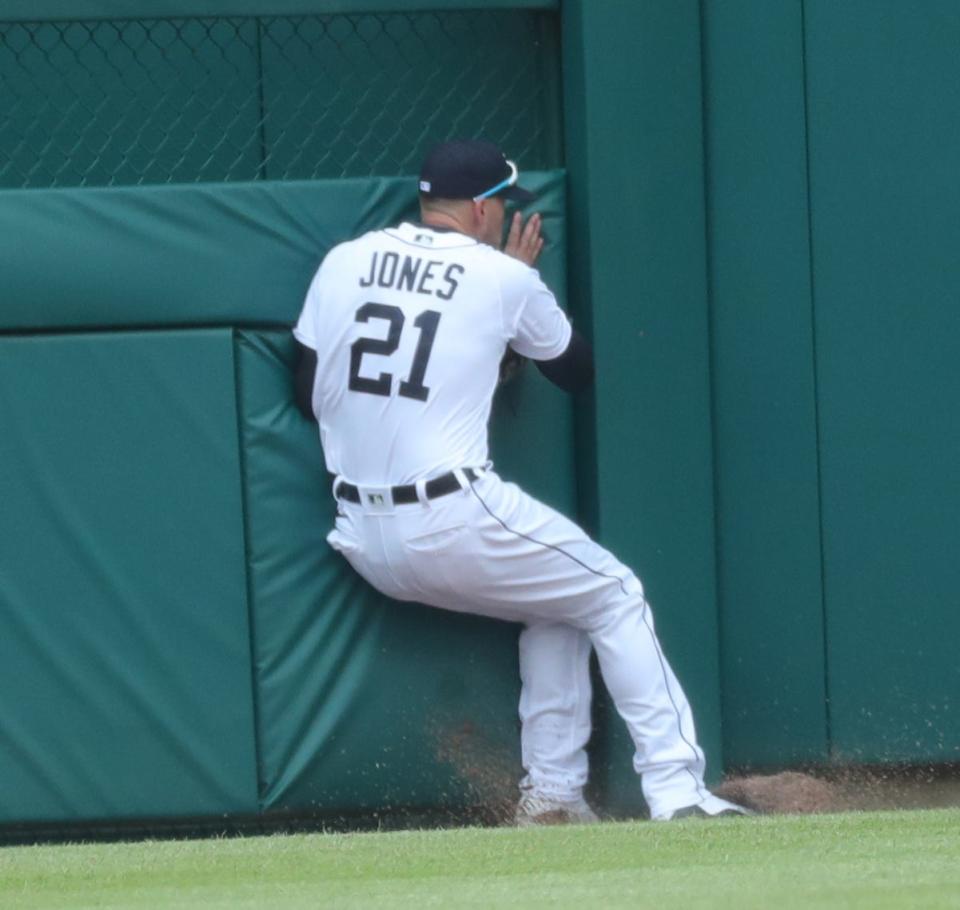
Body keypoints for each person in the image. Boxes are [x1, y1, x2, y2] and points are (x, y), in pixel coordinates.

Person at [292, 139, 749, 824]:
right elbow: (575, 371)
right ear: (480, 208)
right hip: (451, 516)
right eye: (504, 203)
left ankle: (554, 800)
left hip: (360, 535)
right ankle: (678, 791)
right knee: (617, 593)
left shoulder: (343, 261)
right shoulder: (502, 278)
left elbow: (305, 390)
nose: (508, 215)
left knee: (559, 602)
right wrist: (512, 290)